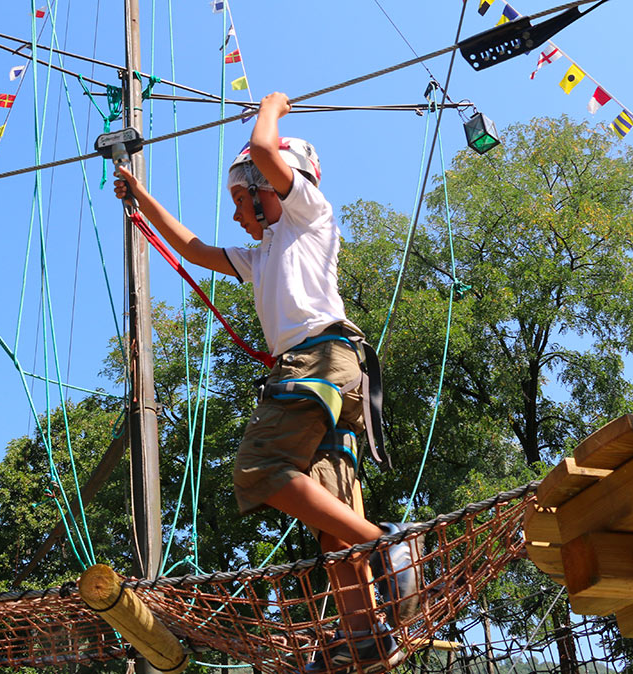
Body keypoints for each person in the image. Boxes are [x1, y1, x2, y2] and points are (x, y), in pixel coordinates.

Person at [113, 92, 422, 673]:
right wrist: (140, 196)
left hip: (320, 359)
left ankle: (386, 541)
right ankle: (365, 634)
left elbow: (260, 145)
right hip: (324, 368)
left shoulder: (310, 214)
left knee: (260, 469)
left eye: (239, 198)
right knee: (330, 519)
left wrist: (273, 106)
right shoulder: (262, 254)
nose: (235, 215)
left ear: (272, 186)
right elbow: (191, 246)